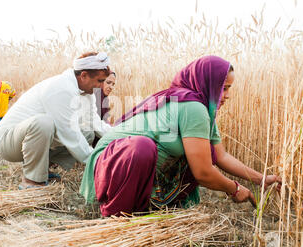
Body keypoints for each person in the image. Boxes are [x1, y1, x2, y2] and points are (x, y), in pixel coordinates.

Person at [80, 55, 282, 217]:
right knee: (143, 147)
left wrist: (260, 179)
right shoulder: (193, 107)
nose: (227, 95)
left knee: (201, 153)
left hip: (122, 165)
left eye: (229, 89)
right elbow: (202, 172)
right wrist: (234, 188)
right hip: (108, 164)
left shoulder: (201, 110)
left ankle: (145, 206)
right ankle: (118, 214)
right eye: (224, 88)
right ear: (209, 84)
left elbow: (221, 156)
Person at [0, 52, 111, 190]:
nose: (101, 86)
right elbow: (69, 132)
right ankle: (32, 180)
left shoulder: (87, 93)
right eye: (100, 81)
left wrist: (120, 135)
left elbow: (94, 123)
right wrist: (96, 162)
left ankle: (43, 169)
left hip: (28, 139)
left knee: (88, 132)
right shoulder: (61, 88)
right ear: (83, 75)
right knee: (44, 123)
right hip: (6, 142)